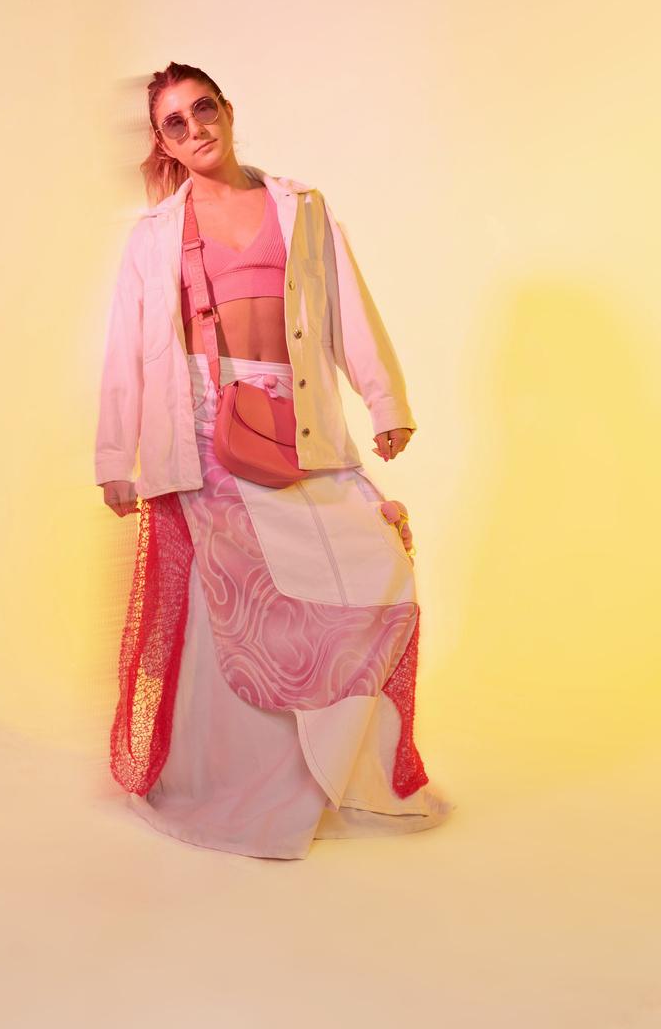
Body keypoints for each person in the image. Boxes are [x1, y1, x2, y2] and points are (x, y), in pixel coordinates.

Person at [94, 60, 456, 859]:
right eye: (176, 123)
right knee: (240, 599)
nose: (196, 129)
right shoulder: (153, 236)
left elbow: (348, 307)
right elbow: (126, 347)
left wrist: (385, 402)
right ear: (163, 143)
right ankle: (236, 781)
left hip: (301, 423)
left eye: (204, 109)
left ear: (228, 109)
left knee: (376, 566)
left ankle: (340, 769)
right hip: (203, 432)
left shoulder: (302, 206)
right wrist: (116, 456)